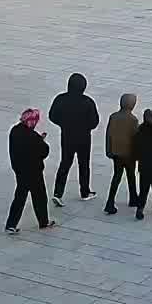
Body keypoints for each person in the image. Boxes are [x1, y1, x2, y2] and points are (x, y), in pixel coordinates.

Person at [48, 73, 99, 206]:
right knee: (84, 164)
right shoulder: (88, 102)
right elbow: (94, 122)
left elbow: (52, 116)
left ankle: (58, 193)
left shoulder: (60, 99)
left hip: (67, 136)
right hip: (84, 138)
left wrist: (63, 124)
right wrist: (85, 127)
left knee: (65, 163)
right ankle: (85, 191)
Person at [5, 109, 55, 234]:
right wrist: (41, 140)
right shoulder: (33, 137)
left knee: (20, 197)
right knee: (40, 197)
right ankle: (43, 222)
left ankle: (11, 224)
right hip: (34, 172)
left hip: (20, 170)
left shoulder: (14, 131)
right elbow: (44, 151)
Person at [103, 93, 140, 215]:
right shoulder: (133, 120)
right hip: (129, 154)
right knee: (131, 176)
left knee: (116, 176)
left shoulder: (113, 116)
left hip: (116, 152)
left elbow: (108, 134)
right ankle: (133, 198)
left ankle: (110, 201)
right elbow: (135, 138)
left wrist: (108, 150)